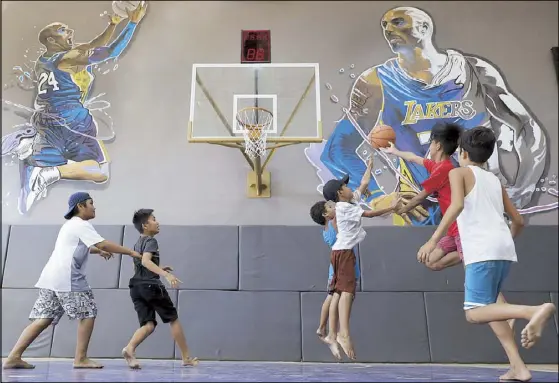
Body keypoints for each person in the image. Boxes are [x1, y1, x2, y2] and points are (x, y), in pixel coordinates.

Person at [310, 6, 548, 228]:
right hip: (419, 207)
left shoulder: (474, 70)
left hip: (478, 197)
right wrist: (377, 196)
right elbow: (337, 148)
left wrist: (525, 187)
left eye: (398, 22)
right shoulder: (376, 81)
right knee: (432, 262)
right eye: (384, 26)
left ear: (424, 28)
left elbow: (525, 128)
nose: (388, 29)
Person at [417, 127, 556, 382]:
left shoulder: (458, 172)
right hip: (502, 249)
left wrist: (432, 240)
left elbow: (457, 206)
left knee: (474, 313)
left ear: (461, 153)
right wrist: (504, 241)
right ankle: (518, 367)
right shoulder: (494, 180)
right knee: (493, 308)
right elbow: (518, 221)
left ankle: (533, 311)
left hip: (481, 251)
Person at [18, 2, 147, 214]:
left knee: (40, 163)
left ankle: (34, 158)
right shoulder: (67, 58)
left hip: (45, 120)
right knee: (101, 171)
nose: (70, 32)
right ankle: (51, 173)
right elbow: (111, 52)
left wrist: (113, 25)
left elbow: (89, 47)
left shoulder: (43, 60)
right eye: (63, 30)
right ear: (51, 40)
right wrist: (132, 22)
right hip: (71, 119)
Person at [3, 192, 142, 370]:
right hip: (67, 277)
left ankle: (13, 356)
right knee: (88, 312)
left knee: (43, 318)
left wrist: (97, 251)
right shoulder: (81, 224)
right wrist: (130, 252)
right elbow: (103, 243)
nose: (94, 206)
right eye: (91, 203)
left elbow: (80, 247)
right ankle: (80, 358)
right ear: (80, 206)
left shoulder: (70, 225)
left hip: (51, 278)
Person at [321, 157, 400, 360]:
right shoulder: (345, 208)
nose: (350, 187)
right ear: (340, 192)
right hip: (344, 252)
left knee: (340, 292)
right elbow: (371, 214)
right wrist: (392, 207)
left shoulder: (347, 202)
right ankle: (342, 333)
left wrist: (369, 167)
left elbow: (363, 184)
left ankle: (334, 332)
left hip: (340, 252)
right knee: (346, 292)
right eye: (345, 186)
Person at [122, 209, 198, 369]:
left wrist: (159, 267)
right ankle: (186, 357)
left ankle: (129, 348)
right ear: (145, 225)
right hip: (151, 286)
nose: (157, 222)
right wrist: (165, 274)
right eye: (154, 219)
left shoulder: (137, 243)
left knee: (148, 324)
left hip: (136, 287)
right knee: (173, 319)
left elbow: (139, 264)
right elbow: (145, 262)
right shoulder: (151, 241)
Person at [382, 122, 463, 271]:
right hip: (452, 230)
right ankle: (465, 253)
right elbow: (413, 158)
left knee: (473, 272)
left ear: (438, 145)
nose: (429, 146)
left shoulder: (444, 169)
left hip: (462, 230)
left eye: (431, 143)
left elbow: (420, 197)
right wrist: (394, 151)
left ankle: (468, 254)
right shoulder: (437, 166)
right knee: (431, 262)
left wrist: (401, 209)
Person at [309, 200, 360, 360]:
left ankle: (324, 327)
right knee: (334, 296)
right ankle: (331, 331)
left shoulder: (325, 230)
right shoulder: (333, 223)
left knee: (332, 296)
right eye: (330, 207)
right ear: (326, 215)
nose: (334, 208)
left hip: (339, 262)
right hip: (340, 262)